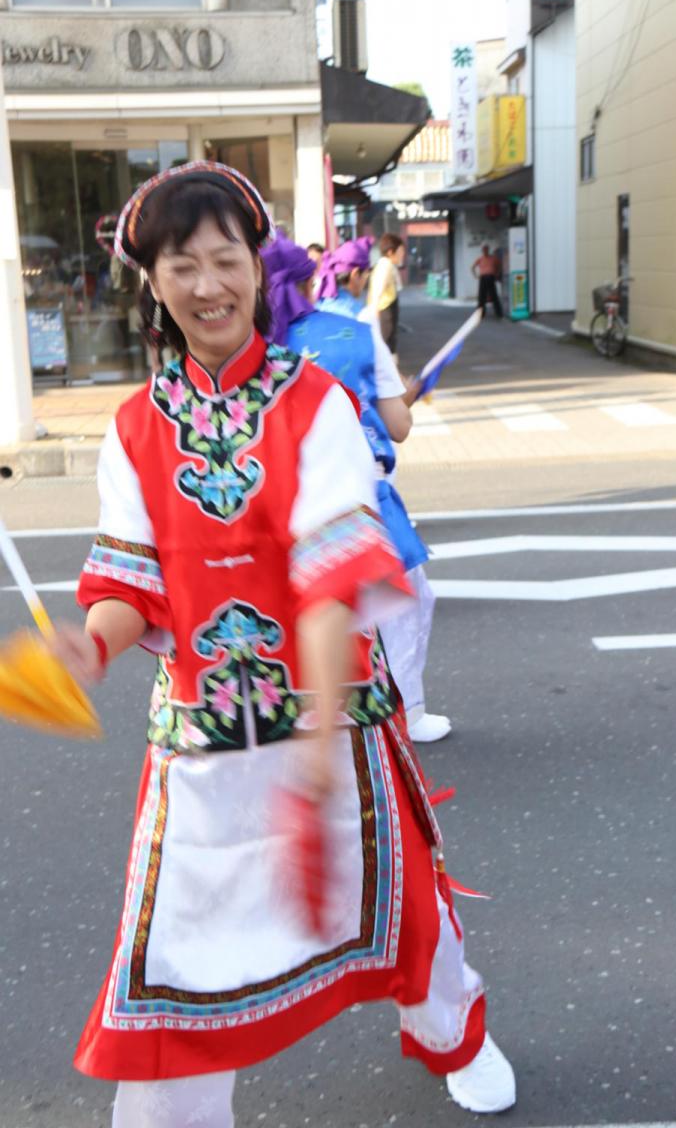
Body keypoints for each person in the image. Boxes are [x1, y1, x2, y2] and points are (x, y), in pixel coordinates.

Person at [46, 162, 514, 1126]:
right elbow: (131, 576)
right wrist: (89, 648)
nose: (208, 284)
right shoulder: (133, 430)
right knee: (183, 937)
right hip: (204, 735)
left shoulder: (315, 403)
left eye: (227, 260)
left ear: (259, 275)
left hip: (334, 719)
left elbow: (334, 568)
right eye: (185, 265)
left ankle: (450, 1035)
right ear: (155, 282)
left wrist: (314, 733)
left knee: (402, 910)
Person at [314, 236, 453, 745]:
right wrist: (411, 392)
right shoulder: (358, 329)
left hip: (289, 496)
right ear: (356, 278)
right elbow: (397, 425)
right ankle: (408, 711)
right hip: (363, 492)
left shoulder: (270, 338)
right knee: (407, 597)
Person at [368, 232, 405, 359]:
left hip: (386, 309)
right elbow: (378, 289)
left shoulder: (385, 264)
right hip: (385, 310)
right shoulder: (385, 265)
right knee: (387, 343)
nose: (402, 255)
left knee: (389, 342)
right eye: (400, 251)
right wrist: (375, 310)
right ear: (390, 252)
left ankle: (394, 373)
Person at [472, 244, 503, 319]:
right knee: (481, 296)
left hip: (491, 277)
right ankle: (480, 314)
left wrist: (497, 274)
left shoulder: (493, 258)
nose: (485, 251)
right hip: (483, 277)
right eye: (484, 250)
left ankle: (498, 313)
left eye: (486, 249)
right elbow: (472, 267)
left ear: (488, 250)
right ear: (482, 251)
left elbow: (500, 266)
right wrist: (475, 276)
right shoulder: (480, 259)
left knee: (494, 295)